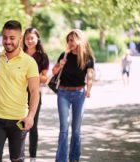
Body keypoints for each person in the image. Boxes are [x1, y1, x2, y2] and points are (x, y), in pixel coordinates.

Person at [0, 20, 40, 162]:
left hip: (18, 119)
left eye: (12, 38)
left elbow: (34, 91)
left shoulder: (29, 62)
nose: (7, 41)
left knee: (16, 159)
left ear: (20, 39)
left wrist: (30, 116)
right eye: (5, 37)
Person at [52, 29, 94, 162]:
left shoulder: (87, 57)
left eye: (72, 40)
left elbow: (90, 76)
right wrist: (60, 64)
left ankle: (74, 159)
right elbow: (54, 72)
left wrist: (88, 89)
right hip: (63, 93)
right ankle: (61, 160)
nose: (69, 43)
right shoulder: (64, 55)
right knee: (64, 128)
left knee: (76, 129)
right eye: (68, 40)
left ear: (79, 40)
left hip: (79, 94)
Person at [23, 27, 49, 162]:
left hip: (34, 95)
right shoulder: (19, 53)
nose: (29, 41)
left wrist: (32, 77)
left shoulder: (42, 56)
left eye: (32, 38)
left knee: (32, 125)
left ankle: (33, 156)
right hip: (19, 95)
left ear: (37, 39)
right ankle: (18, 155)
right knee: (19, 125)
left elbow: (45, 78)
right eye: (27, 38)